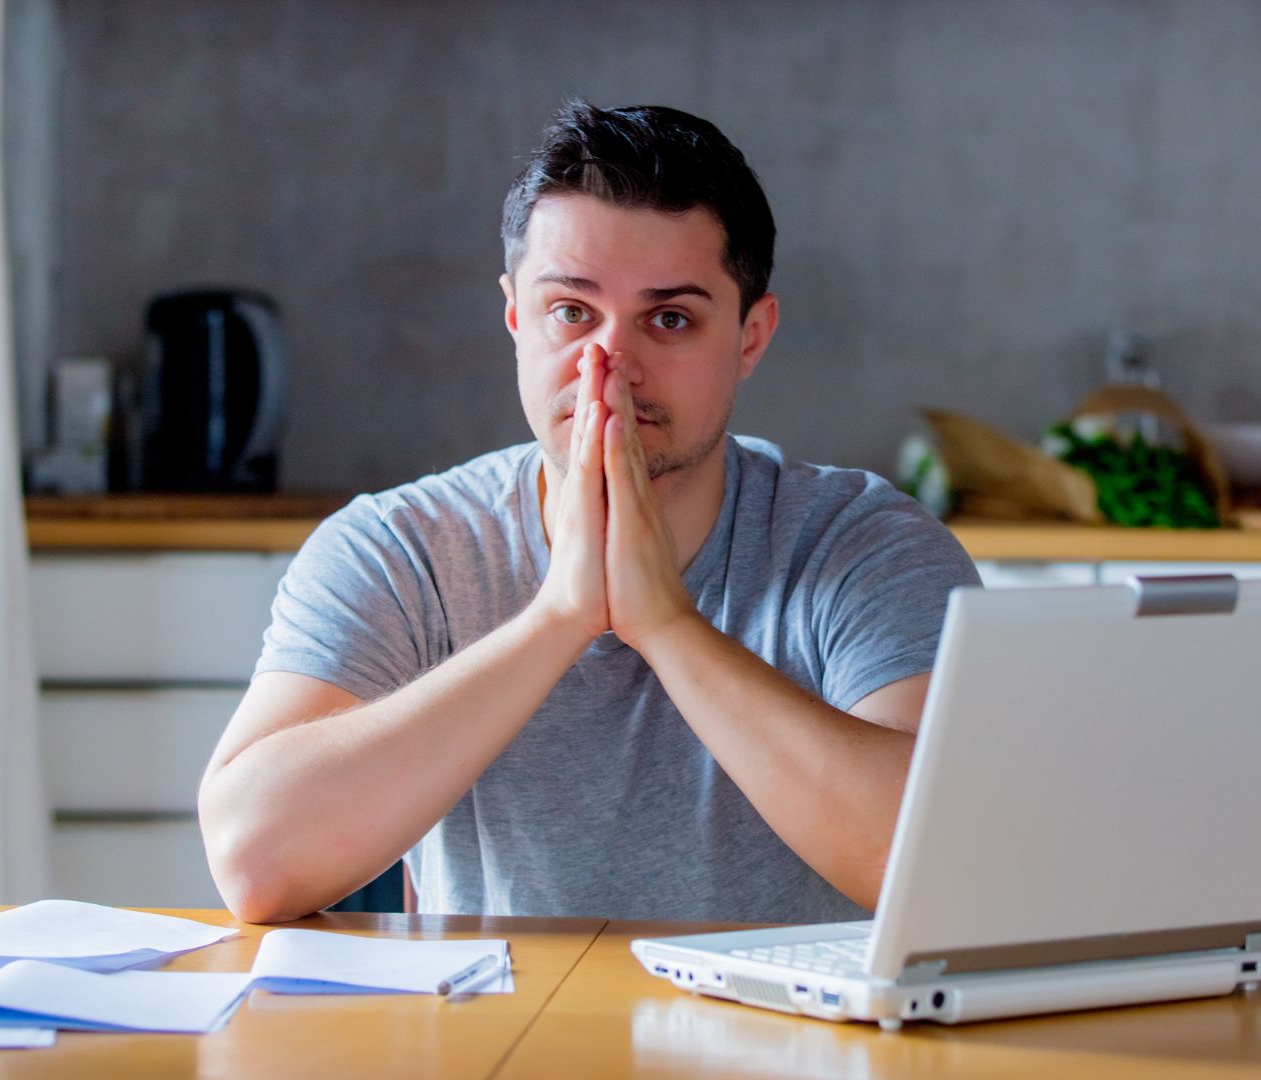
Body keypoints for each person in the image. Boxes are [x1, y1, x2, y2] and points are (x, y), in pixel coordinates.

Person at [198, 101, 979, 925]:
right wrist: (561, 615)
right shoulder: (400, 549)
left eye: (670, 319)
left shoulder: (866, 545)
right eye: (572, 312)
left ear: (751, 337)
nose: (610, 364)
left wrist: (667, 626)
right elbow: (257, 865)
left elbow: (940, 873)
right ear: (515, 317)